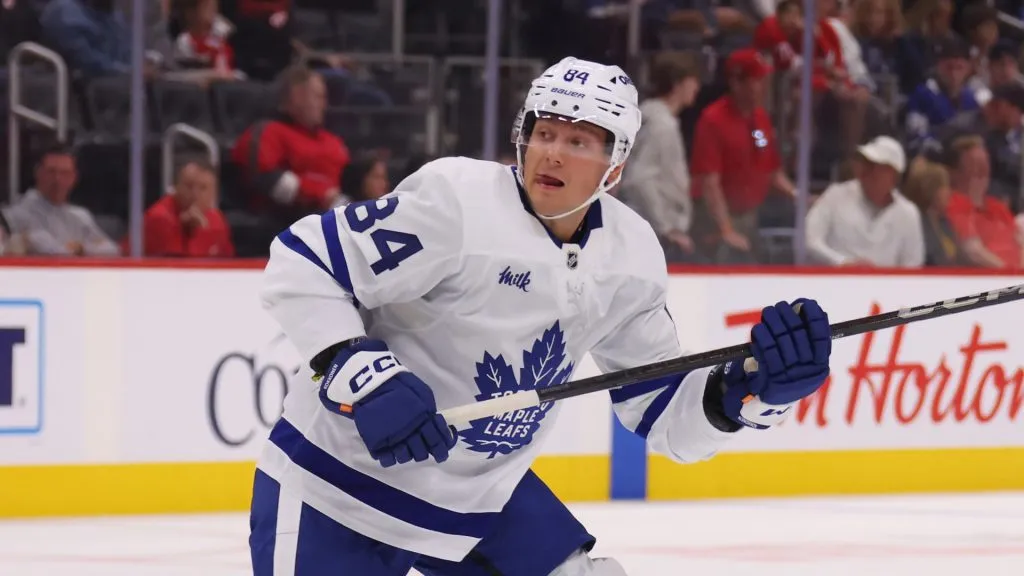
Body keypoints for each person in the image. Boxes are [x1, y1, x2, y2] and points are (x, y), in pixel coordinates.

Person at [249, 57, 833, 575]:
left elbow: (660, 410)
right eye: (543, 132)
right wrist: (361, 372)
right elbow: (302, 262)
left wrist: (751, 397)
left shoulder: (629, 257)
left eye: (579, 142)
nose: (552, 151)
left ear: (615, 167)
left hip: (483, 497)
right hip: (338, 485)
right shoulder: (456, 202)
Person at [804, 135, 924, 268]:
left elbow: (913, 264)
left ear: (893, 174)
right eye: (866, 163)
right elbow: (809, 239)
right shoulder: (835, 195)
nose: (868, 170)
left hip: (885, 286)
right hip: (836, 283)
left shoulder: (908, 213)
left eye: (876, 165)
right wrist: (843, 263)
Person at [4, 144, 119, 257]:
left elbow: (112, 250)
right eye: (51, 172)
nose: (57, 179)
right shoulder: (16, 214)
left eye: (64, 173)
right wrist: (83, 249)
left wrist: (80, 248)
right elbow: (49, 250)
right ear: (38, 173)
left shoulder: (80, 217)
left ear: (74, 178)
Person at [129, 157, 234, 257]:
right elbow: (174, 268)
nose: (195, 194)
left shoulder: (217, 220)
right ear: (176, 188)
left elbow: (228, 263)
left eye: (203, 188)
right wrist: (189, 231)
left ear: (214, 193)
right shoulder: (160, 218)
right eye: (189, 186)